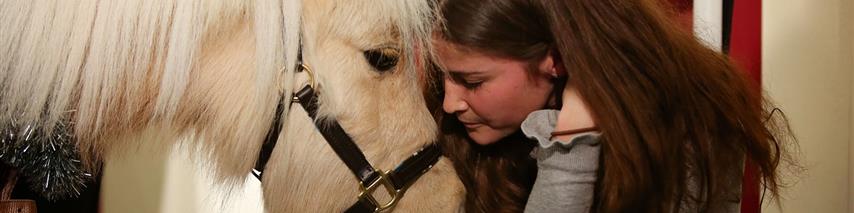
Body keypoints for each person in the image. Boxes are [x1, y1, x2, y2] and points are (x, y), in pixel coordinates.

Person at [429, 0, 796, 212]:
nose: (449, 104)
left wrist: (571, 143)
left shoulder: (693, 123)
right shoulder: (466, 135)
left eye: (473, 82)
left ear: (555, 60)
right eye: (443, 77)